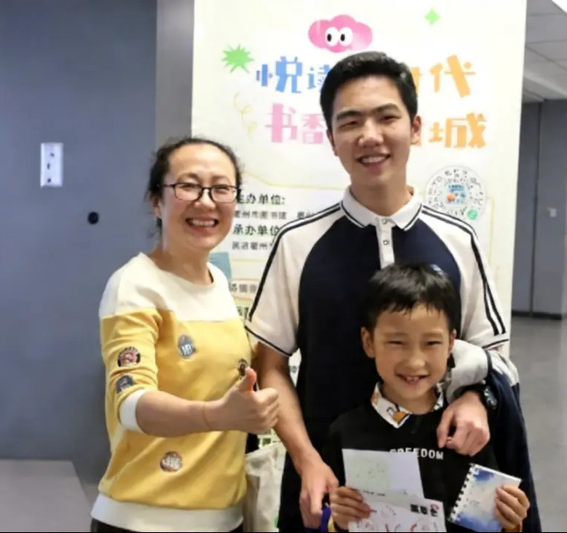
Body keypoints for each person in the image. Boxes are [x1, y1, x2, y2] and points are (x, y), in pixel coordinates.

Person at [246, 51, 521, 531]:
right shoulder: (298, 243)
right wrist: (307, 460)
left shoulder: (459, 240)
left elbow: (491, 354)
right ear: (331, 139)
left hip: (440, 481)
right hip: (331, 483)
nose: (369, 135)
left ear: (414, 127)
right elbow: (269, 365)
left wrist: (475, 399)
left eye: (386, 117)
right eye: (350, 122)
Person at [90, 137, 280, 533]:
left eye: (221, 188)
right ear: (156, 202)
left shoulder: (219, 281)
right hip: (144, 519)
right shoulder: (135, 285)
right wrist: (217, 415)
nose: (206, 202)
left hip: (225, 517)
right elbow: (131, 402)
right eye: (188, 186)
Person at [323, 262, 540, 532]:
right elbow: (331, 515)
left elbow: (492, 520)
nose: (415, 362)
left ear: (451, 343)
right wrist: (340, 522)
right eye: (397, 342)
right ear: (369, 342)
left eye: (431, 343)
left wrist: (511, 522)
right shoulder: (346, 433)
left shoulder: (469, 431)